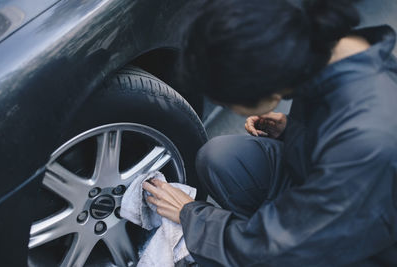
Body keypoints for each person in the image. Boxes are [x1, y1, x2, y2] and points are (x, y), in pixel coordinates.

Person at [142, 0, 397, 265]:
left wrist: (190, 216)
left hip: (368, 242)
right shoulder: (328, 51)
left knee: (251, 253)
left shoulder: (368, 139)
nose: (232, 110)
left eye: (228, 103)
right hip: (333, 184)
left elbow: (285, 246)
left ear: (270, 90)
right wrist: (293, 128)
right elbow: (337, 130)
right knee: (222, 157)